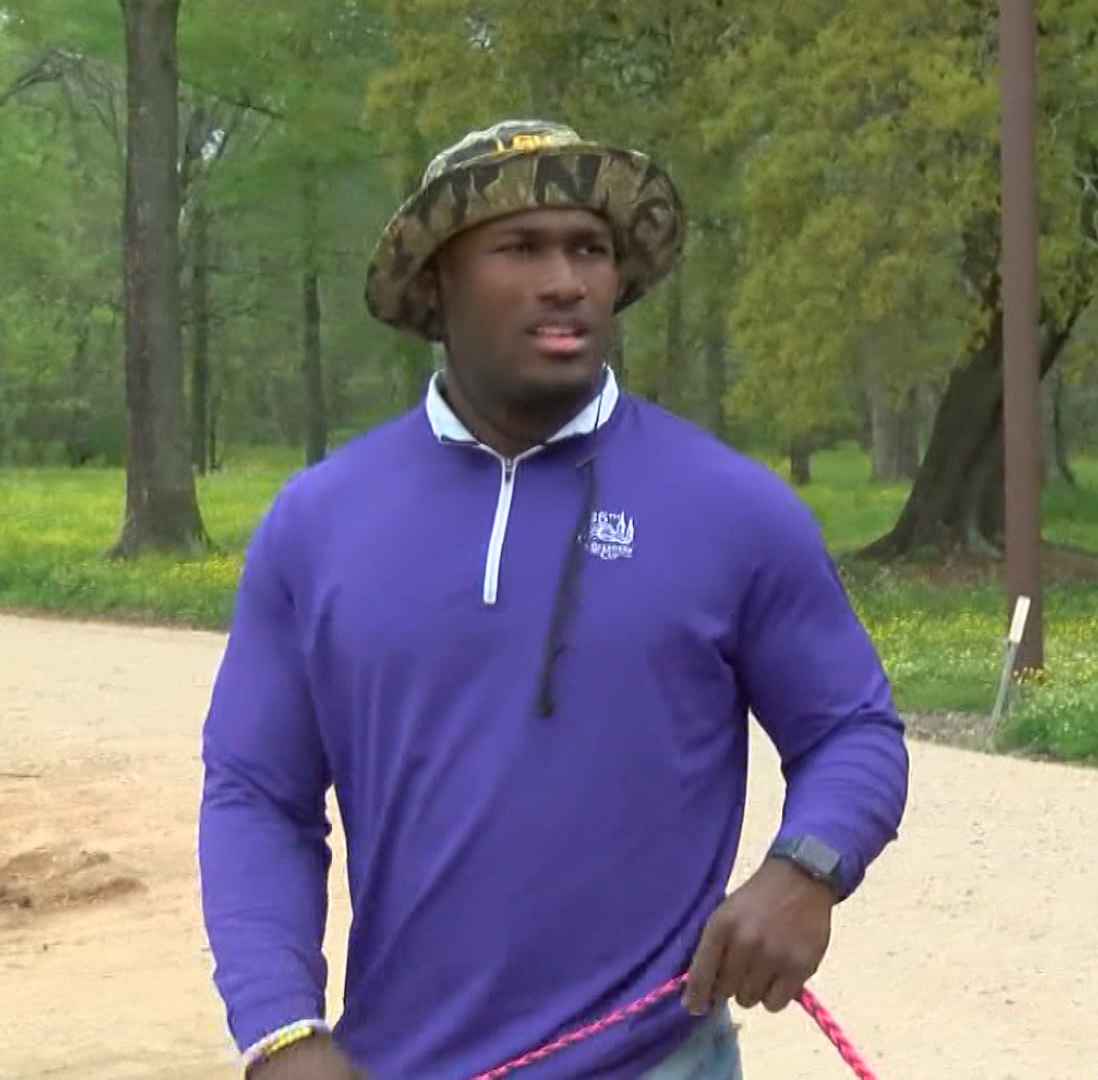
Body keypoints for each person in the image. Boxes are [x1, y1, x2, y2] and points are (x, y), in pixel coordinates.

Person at [196, 120, 912, 1080]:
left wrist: (808, 868)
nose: (566, 281)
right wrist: (280, 1032)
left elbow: (852, 730)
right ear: (438, 283)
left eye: (590, 249)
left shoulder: (732, 509)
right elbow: (256, 795)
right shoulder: (318, 523)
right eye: (521, 248)